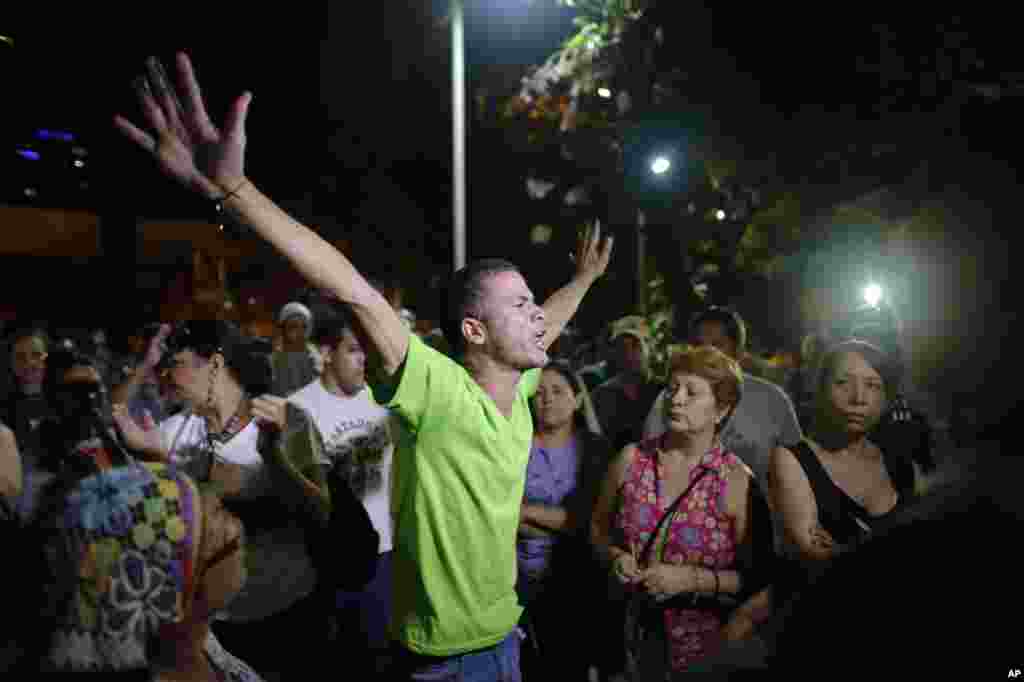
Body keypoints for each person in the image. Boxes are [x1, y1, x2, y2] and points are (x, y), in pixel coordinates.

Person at [114, 51, 612, 681]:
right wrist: (236, 191)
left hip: (504, 642)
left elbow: (553, 320)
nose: (538, 314)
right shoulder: (439, 389)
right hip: (442, 663)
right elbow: (351, 289)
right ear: (474, 331)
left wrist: (585, 279)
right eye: (519, 303)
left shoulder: (522, 380)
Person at [111, 320, 345, 678]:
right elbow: (114, 417)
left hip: (288, 614)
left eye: (177, 364)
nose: (168, 376)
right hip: (216, 626)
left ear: (216, 365)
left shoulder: (286, 419)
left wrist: (276, 461)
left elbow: (321, 513)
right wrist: (150, 450)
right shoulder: (177, 431)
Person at [591, 346, 773, 676]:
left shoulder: (735, 481)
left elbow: (758, 578)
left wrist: (691, 580)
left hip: (705, 655)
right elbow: (597, 529)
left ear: (721, 411)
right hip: (628, 644)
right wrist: (615, 557)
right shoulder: (631, 460)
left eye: (692, 392)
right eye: (672, 388)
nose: (675, 400)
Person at [18, 459, 262, 680]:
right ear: (169, 597)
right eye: (223, 531)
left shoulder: (198, 643)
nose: (238, 526)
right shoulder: (185, 650)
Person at [288, 303, 394, 674]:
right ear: (328, 353)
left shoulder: (384, 401)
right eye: (353, 350)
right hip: (328, 562)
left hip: (385, 556)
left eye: (366, 349)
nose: (363, 359)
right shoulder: (299, 408)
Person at [769, 340, 917, 600]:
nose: (858, 398)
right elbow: (814, 557)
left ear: (885, 398)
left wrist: (844, 550)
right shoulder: (792, 459)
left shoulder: (899, 461)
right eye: (842, 383)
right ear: (820, 389)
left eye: (872, 385)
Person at [517, 361, 612, 681]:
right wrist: (560, 522)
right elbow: (500, 516)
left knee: (570, 666)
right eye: (539, 392)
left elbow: (590, 521)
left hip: (577, 578)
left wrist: (525, 512)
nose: (547, 399)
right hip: (517, 578)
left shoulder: (596, 450)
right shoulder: (513, 446)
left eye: (558, 391)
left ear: (578, 398)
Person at [644, 307, 802, 491]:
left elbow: (797, 467)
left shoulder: (772, 399)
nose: (706, 352)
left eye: (717, 344)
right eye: (698, 344)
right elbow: (649, 461)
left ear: (739, 351)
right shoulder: (670, 398)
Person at [591, 316, 662, 452]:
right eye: (622, 346)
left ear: (649, 348)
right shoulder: (601, 395)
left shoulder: (663, 390)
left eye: (635, 345)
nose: (628, 353)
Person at [271, 302, 322, 397]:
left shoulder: (315, 360)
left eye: (304, 327)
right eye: (293, 327)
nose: (300, 332)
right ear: (282, 329)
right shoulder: (272, 360)